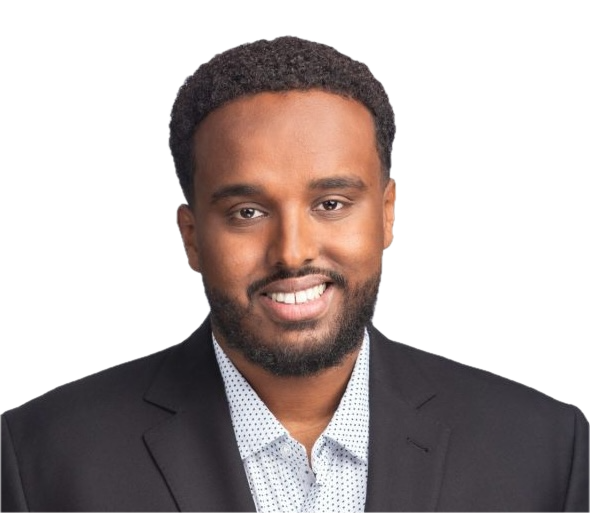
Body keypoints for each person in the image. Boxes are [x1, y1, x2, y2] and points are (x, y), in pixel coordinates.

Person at [1, 35, 588, 513]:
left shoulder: (544, 448)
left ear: (387, 214)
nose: (292, 252)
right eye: (247, 212)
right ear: (191, 237)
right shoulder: (40, 458)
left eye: (331, 203)